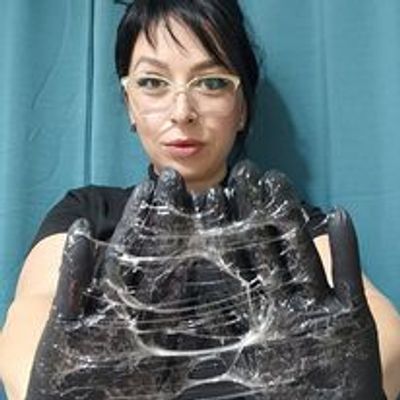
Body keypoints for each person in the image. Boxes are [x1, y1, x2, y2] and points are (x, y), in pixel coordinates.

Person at [0, 0, 399, 399]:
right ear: (129, 105)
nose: (182, 112)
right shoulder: (88, 214)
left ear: (241, 109)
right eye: (153, 82)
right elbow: (30, 312)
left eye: (211, 83)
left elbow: (380, 331)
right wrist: (52, 384)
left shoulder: (288, 228)